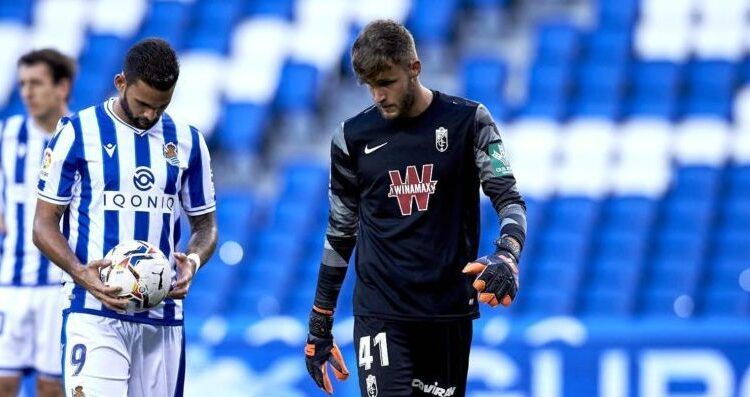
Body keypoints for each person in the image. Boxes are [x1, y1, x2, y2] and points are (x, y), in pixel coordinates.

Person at [304, 20, 527, 396]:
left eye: (386, 82)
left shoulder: (469, 121)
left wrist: (507, 256)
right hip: (380, 311)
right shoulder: (351, 138)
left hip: (447, 312)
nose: (377, 95)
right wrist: (320, 321)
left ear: (414, 68)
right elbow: (340, 232)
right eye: (370, 86)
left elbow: (509, 199)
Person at [32, 38, 217, 397]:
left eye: (160, 107)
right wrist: (78, 271)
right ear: (121, 83)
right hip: (94, 311)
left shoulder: (189, 142)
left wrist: (192, 261)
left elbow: (206, 225)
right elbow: (43, 225)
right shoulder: (78, 132)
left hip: (163, 317)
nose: (150, 114)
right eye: (143, 103)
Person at [0, 49, 75, 397]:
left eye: (36, 83)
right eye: (22, 84)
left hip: (57, 286)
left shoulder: (80, 137)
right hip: (10, 283)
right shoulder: (8, 133)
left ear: (62, 87)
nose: (27, 92)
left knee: (51, 387)